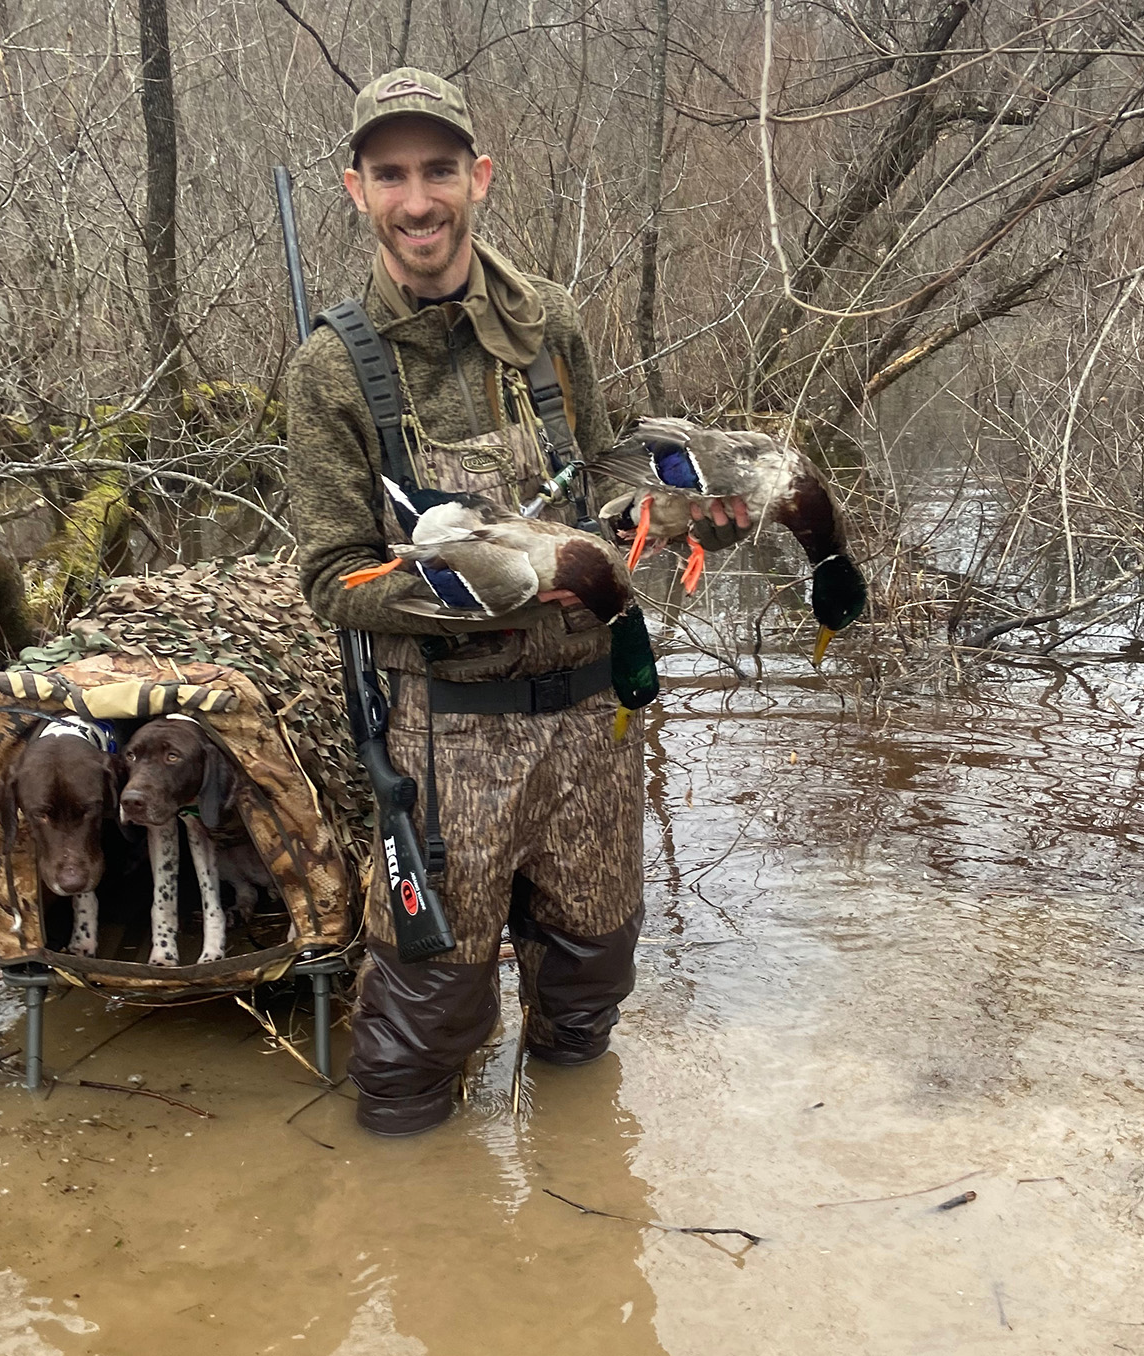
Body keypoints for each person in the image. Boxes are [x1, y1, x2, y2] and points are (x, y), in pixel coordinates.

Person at [285, 68, 747, 1136]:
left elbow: (601, 481)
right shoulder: (330, 370)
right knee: (416, 1042)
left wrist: (680, 516)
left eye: (438, 170)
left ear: (477, 178)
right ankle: (422, 1247)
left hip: (593, 717)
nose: (417, 201)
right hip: (448, 739)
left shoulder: (553, 327)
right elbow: (331, 575)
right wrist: (477, 592)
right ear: (356, 189)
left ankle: (582, 1227)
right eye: (391, 175)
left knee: (590, 985)